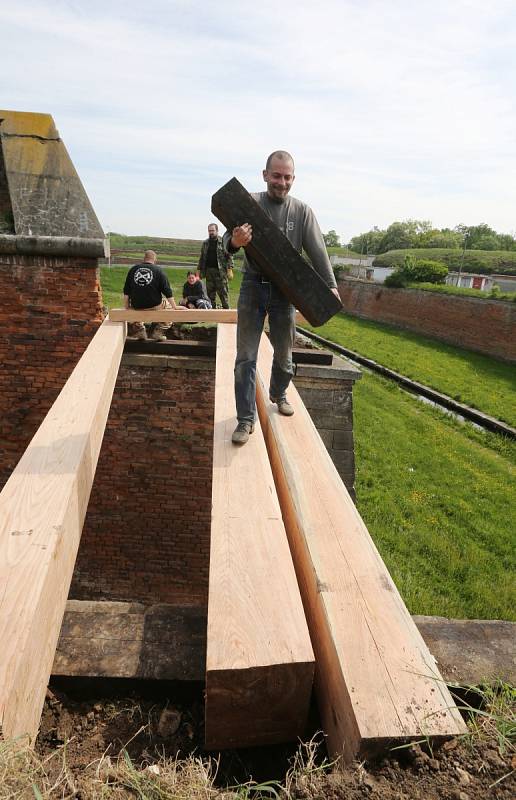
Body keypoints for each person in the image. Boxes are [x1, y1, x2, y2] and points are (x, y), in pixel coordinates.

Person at [224, 150, 340, 445]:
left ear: (293, 178)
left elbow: (317, 250)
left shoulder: (302, 211)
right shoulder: (249, 203)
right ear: (265, 175)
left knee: (285, 356)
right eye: (276, 175)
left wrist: (330, 285)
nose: (282, 182)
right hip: (253, 286)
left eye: (287, 177)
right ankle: (245, 419)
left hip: (286, 290)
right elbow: (227, 240)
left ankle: (278, 392)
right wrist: (235, 242)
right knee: (246, 357)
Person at [123, 250, 184, 341]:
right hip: (154, 305)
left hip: (137, 305)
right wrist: (175, 306)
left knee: (134, 312)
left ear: (144, 259)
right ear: (155, 260)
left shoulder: (133, 270)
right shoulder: (159, 271)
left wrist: (127, 307)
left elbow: (126, 291)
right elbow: (167, 291)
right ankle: (158, 332)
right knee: (168, 307)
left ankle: (140, 331)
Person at [197, 223, 233, 309]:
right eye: (209, 231)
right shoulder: (205, 243)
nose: (211, 232)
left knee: (223, 294)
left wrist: (230, 268)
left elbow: (230, 255)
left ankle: (226, 312)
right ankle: (212, 313)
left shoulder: (223, 241)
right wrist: (198, 270)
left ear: (217, 231)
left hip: (221, 273)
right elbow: (202, 257)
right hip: (209, 272)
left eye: (212, 230)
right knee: (210, 295)